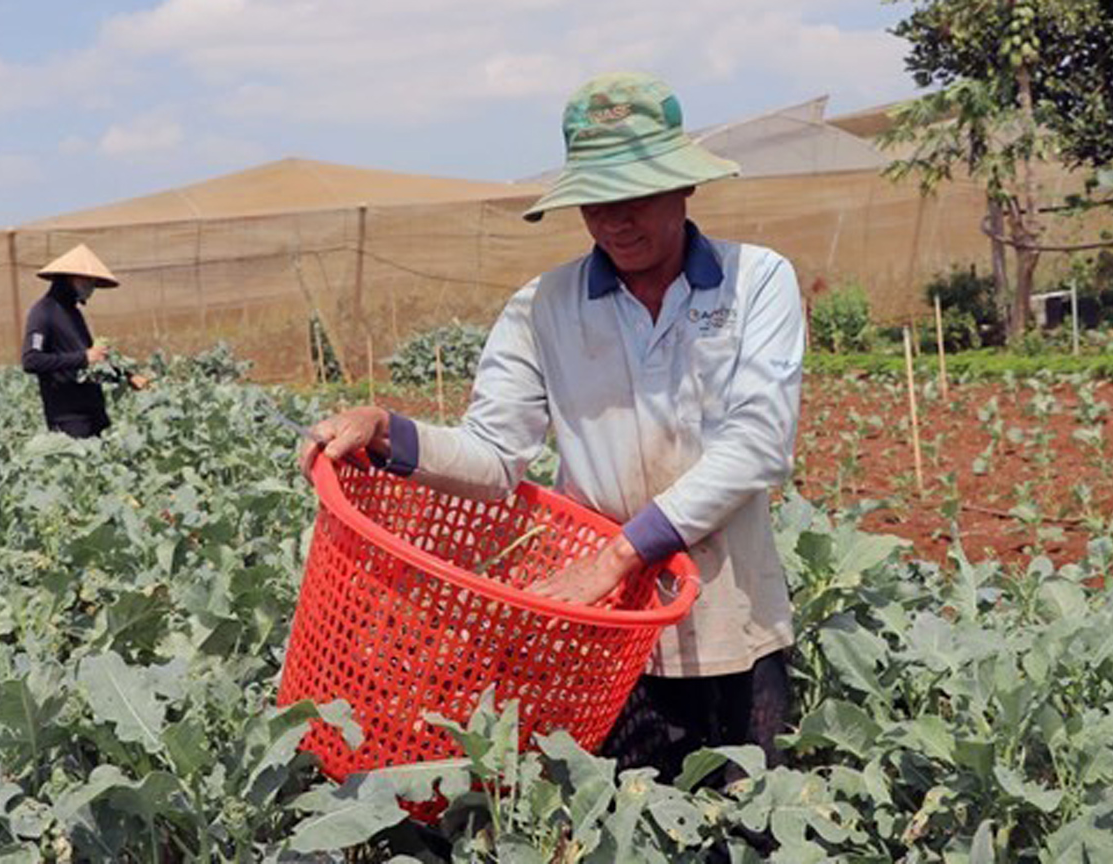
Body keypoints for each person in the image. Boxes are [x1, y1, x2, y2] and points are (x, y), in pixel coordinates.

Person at [300, 72, 804, 782]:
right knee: (615, 827)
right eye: (596, 203)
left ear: (685, 187)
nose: (615, 222)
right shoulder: (544, 306)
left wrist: (617, 555)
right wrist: (388, 431)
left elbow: (757, 444)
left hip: (734, 617)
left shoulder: (756, 281)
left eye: (635, 197)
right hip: (605, 637)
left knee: (747, 827)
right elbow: (494, 454)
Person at [21, 243, 147, 438]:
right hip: (68, 420)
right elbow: (31, 360)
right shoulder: (43, 311)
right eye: (88, 280)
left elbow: (93, 362)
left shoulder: (73, 314)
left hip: (94, 414)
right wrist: (82, 357)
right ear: (69, 277)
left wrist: (128, 377)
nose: (91, 287)